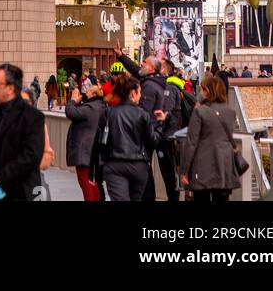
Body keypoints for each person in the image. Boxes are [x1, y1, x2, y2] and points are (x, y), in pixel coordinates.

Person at [0, 62, 45, 202]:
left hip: (18, 193)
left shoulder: (33, 117)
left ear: (10, 88)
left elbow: (31, 156)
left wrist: (2, 177)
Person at [115, 49, 180, 200]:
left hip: (158, 135)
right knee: (158, 171)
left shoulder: (152, 86)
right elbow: (136, 69)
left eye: (145, 62)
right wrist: (121, 56)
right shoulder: (153, 80)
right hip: (159, 133)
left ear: (153, 68)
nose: (141, 64)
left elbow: (145, 113)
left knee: (161, 172)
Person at [95, 72, 165, 202]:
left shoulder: (108, 113)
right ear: (133, 93)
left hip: (114, 163)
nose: (141, 96)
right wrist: (160, 123)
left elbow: (99, 142)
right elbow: (153, 141)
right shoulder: (142, 114)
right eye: (139, 92)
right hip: (139, 166)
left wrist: (97, 167)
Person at [179, 72, 241, 202]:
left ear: (208, 91)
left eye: (202, 89)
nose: (200, 92)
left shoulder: (200, 112)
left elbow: (191, 142)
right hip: (224, 164)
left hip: (202, 166)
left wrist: (184, 170)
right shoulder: (230, 113)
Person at [65, 81, 106, 201]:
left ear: (93, 95)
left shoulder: (90, 108)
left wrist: (72, 100)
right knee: (91, 182)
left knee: (85, 182)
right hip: (93, 150)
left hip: (84, 150)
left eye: (87, 92)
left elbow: (70, 112)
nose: (84, 94)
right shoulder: (100, 106)